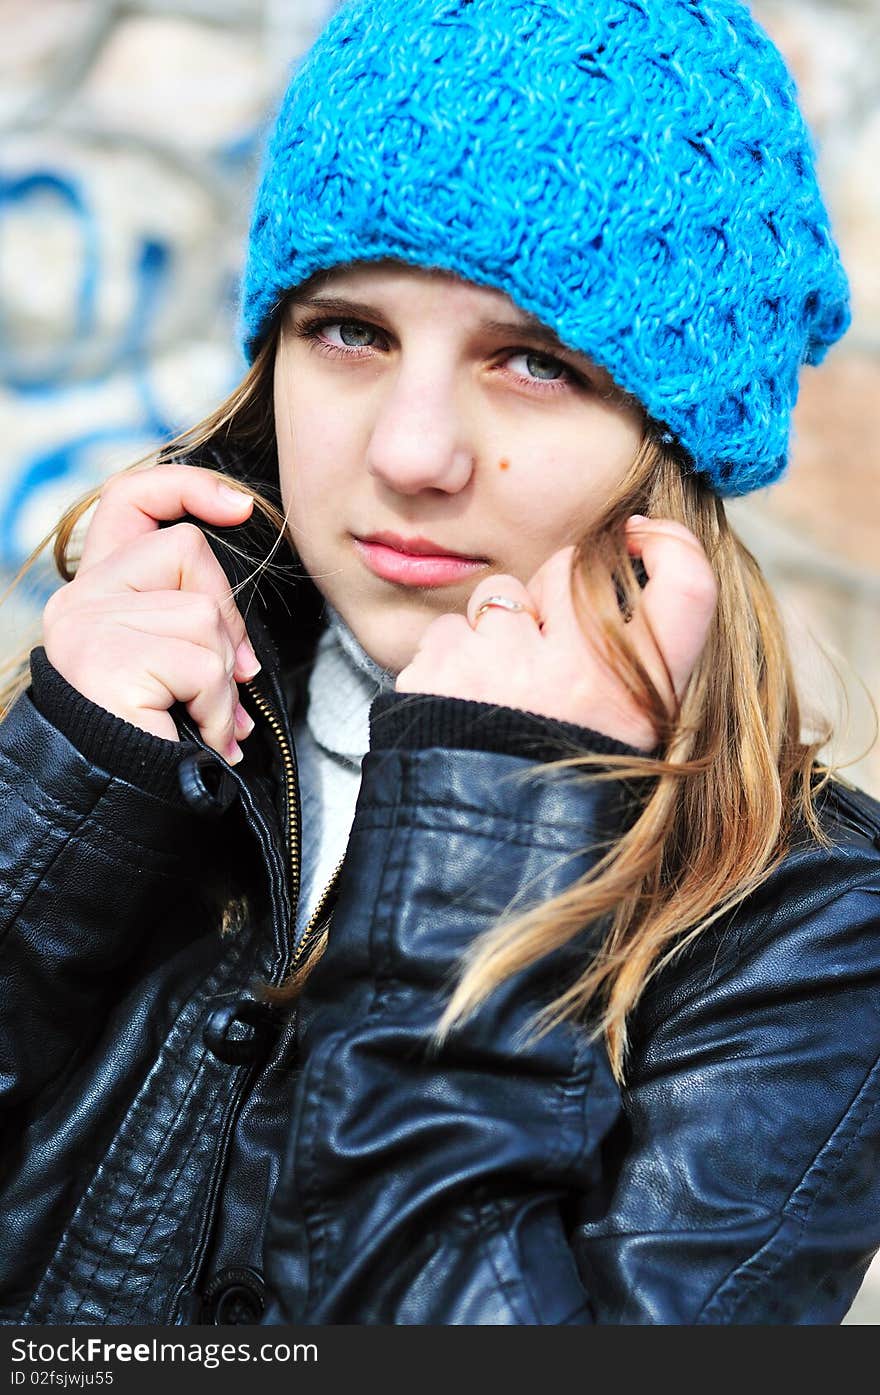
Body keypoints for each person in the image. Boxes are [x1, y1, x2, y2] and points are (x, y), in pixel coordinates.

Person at [1, 0, 879, 1327]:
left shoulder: (807, 934)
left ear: (676, 445)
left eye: (535, 363)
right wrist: (55, 795)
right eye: (350, 331)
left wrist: (482, 826)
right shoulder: (125, 725)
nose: (413, 454)